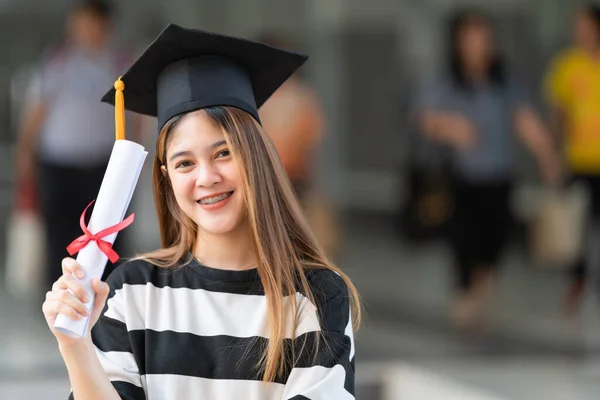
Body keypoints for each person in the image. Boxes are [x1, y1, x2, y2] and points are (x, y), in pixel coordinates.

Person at [41, 23, 360, 400]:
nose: (206, 177)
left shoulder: (316, 296)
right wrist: (74, 345)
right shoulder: (131, 292)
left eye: (224, 153)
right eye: (184, 163)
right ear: (166, 178)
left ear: (256, 156)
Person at [414, 9, 559, 327]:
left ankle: (484, 278)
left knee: (496, 235)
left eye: (482, 40)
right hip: (462, 175)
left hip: (498, 174)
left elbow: (525, 120)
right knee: (463, 237)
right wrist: (450, 126)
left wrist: (547, 156)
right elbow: (424, 119)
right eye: (470, 40)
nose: (476, 47)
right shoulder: (446, 82)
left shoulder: (505, 82)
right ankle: (465, 288)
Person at [15, 0, 139, 290]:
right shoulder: (56, 62)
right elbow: (35, 114)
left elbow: (135, 117)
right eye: (78, 25)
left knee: (108, 233)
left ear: (106, 26)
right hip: (59, 163)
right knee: (60, 234)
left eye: (91, 24)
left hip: (104, 165)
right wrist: (25, 157)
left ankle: (107, 296)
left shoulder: (120, 63)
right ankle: (59, 293)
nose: (83, 32)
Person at [544, 4, 600, 315]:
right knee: (577, 231)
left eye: (583, 24)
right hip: (579, 161)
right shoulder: (567, 66)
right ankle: (577, 282)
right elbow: (559, 114)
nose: (578, 30)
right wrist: (553, 154)